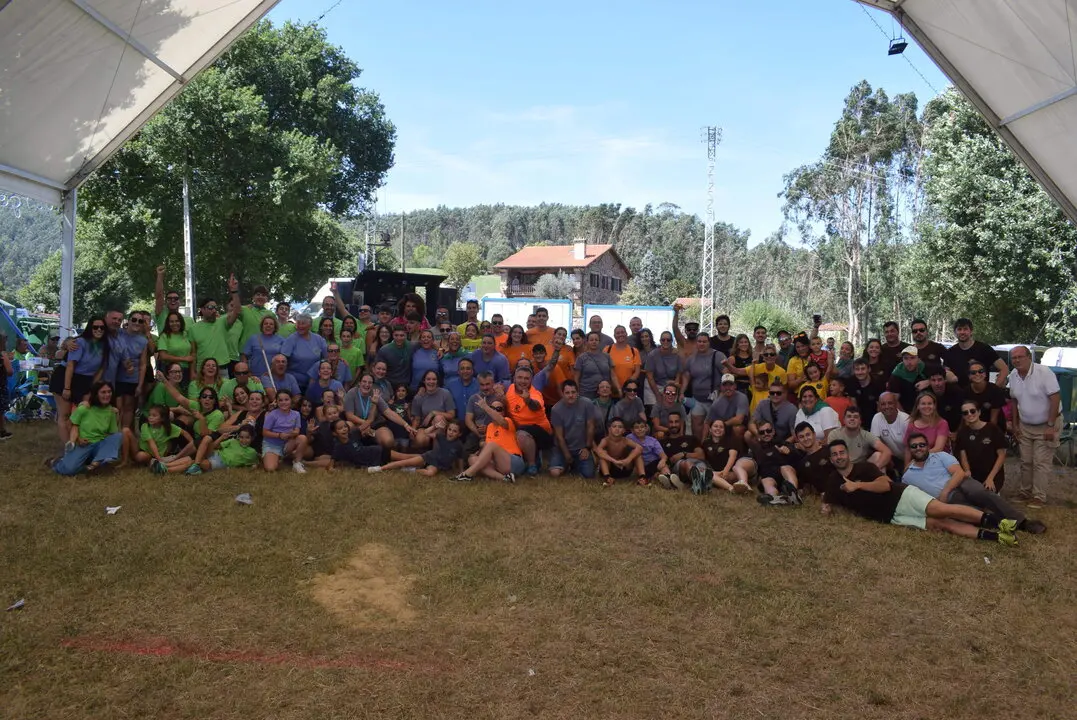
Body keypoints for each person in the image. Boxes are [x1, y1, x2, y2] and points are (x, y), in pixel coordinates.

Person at [822, 439, 1019, 546]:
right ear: (830, 459)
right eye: (834, 455)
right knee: (942, 524)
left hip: (902, 497)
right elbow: (828, 501)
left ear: (847, 453)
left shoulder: (864, 468)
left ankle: (999, 523)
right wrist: (826, 508)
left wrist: (858, 486)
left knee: (942, 510)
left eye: (841, 452)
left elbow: (885, 486)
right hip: (891, 517)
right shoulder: (832, 480)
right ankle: (999, 538)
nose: (839, 457)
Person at [902, 431, 1042, 534]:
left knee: (980, 492)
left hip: (961, 483)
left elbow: (959, 473)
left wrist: (945, 491)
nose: (919, 448)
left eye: (922, 444)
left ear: (927, 446)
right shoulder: (908, 476)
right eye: (914, 446)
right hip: (947, 500)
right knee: (973, 513)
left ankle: (1022, 522)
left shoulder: (940, 456)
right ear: (910, 450)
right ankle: (1004, 524)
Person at [1007, 345, 1061, 508]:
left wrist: (1051, 425)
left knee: (1040, 462)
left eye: (1020, 357)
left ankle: (1039, 496)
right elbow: (1014, 401)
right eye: (1013, 358)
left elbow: (1055, 398)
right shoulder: (1013, 375)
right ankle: (1025, 492)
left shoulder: (1044, 372)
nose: (1016, 360)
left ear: (1029, 357)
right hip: (1025, 425)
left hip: (1047, 423)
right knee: (1026, 461)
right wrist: (1015, 424)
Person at [51, 381, 123, 475]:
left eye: (109, 392)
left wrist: (116, 415)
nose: (107, 395)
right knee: (70, 470)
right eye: (103, 392)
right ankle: (57, 463)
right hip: (83, 444)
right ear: (96, 394)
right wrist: (77, 439)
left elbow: (111, 433)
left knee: (118, 436)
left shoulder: (111, 411)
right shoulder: (84, 408)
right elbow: (70, 425)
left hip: (99, 444)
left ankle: (94, 465)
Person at [59, 317, 109, 441]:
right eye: (95, 327)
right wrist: (67, 388)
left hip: (86, 380)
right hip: (66, 377)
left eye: (102, 327)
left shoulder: (104, 345)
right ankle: (67, 448)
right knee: (65, 415)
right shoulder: (80, 342)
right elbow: (71, 365)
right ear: (89, 328)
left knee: (82, 412)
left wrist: (92, 386)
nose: (99, 330)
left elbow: (101, 369)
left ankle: (79, 442)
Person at [454, 395, 524, 483]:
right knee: (472, 459)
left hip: (513, 461)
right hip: (498, 463)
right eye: (492, 408)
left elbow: (502, 422)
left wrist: (486, 407)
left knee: (491, 445)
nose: (494, 411)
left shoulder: (507, 421)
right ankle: (505, 478)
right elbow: (487, 448)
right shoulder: (490, 427)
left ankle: (467, 475)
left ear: (504, 412)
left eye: (498, 409)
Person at [368, 419, 466, 476]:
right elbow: (426, 432)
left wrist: (461, 471)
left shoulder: (459, 445)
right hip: (428, 458)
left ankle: (411, 470)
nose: (451, 432)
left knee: (430, 473)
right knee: (403, 462)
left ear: (460, 434)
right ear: (446, 430)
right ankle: (380, 468)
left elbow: (460, 458)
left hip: (437, 466)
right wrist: (435, 426)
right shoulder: (440, 436)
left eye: (454, 431)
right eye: (449, 429)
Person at [121, 404, 195, 473]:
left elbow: (184, 433)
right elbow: (151, 442)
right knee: (126, 430)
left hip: (156, 455)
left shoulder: (168, 427)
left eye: (154, 415)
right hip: (145, 450)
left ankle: (155, 463)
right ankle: (124, 461)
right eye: (150, 415)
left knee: (140, 456)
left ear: (162, 418)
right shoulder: (145, 426)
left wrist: (192, 442)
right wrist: (159, 459)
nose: (150, 417)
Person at [505, 366, 552, 475]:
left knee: (521, 433)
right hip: (519, 429)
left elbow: (535, 406)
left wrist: (527, 400)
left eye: (526, 378)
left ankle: (532, 465)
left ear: (531, 380)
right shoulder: (510, 389)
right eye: (520, 377)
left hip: (541, 432)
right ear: (514, 379)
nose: (523, 381)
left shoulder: (535, 393)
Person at [188, 281, 241, 376]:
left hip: (222, 369)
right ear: (202, 310)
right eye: (210, 307)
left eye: (215, 308)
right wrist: (192, 372)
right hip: (203, 370)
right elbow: (193, 353)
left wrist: (234, 292)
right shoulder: (193, 328)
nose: (213, 310)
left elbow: (237, 311)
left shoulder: (222, 322)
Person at [745, 419, 801, 506]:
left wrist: (788, 452)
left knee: (785, 468)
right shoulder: (757, 449)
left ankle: (794, 494)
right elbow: (748, 435)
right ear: (758, 434)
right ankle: (775, 499)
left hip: (784, 475)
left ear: (773, 431)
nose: (766, 434)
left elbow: (798, 456)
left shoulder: (782, 443)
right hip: (768, 476)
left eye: (768, 430)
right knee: (766, 481)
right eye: (762, 432)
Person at [682, 333, 727, 440]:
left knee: (714, 427)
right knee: (696, 427)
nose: (701, 344)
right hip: (697, 399)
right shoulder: (691, 358)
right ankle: (699, 449)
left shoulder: (718, 355)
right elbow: (686, 376)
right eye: (699, 341)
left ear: (709, 343)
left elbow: (726, 374)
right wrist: (682, 392)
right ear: (696, 343)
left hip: (714, 400)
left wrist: (721, 394)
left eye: (704, 341)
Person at [548, 380, 596, 478]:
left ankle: (575, 465)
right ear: (562, 393)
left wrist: (587, 448)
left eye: (573, 392)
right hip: (562, 448)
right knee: (555, 473)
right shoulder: (556, 409)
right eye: (567, 393)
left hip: (581, 448)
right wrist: (567, 454)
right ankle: (566, 464)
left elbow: (591, 427)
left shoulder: (587, 404)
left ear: (578, 392)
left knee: (589, 475)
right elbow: (559, 436)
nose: (571, 395)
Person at [945, 318, 1008, 388]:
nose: (962, 332)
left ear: (971, 331)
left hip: (980, 396)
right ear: (955, 332)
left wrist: (994, 390)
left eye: (965, 329)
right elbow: (946, 371)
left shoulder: (984, 349)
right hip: (958, 396)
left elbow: (1004, 369)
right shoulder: (950, 352)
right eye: (959, 329)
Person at [826, 406, 891, 472]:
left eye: (855, 417)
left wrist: (875, 469)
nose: (852, 419)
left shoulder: (866, 435)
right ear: (844, 420)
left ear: (860, 421)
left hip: (860, 469)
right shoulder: (834, 434)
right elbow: (829, 456)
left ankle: (882, 481)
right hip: (840, 468)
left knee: (878, 456)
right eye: (849, 416)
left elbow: (887, 451)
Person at [261, 390, 308, 473]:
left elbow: (297, 430)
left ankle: (297, 463)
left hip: (288, 443)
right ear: (277, 402)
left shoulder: (296, 414)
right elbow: (264, 432)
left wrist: (292, 434)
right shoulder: (272, 414)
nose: (284, 402)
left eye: (286, 400)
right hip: (272, 444)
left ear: (291, 400)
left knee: (302, 438)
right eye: (280, 400)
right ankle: (276, 457)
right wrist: (279, 435)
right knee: (270, 468)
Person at [409, 370, 456, 451]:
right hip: (425, 427)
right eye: (428, 379)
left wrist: (433, 412)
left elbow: (452, 415)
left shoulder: (445, 393)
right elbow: (417, 418)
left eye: (434, 379)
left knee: (438, 418)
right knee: (420, 440)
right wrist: (412, 429)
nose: (431, 382)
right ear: (424, 381)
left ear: (437, 381)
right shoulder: (419, 397)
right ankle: (421, 459)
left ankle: (437, 454)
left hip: (443, 425)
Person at [701, 419, 752, 493]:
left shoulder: (730, 440)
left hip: (735, 469)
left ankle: (744, 484)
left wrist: (726, 470)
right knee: (710, 474)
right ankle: (732, 489)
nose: (718, 428)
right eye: (715, 426)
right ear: (710, 429)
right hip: (722, 473)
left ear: (724, 431)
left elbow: (732, 456)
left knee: (734, 468)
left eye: (721, 427)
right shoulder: (706, 443)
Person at [184, 425, 260, 474]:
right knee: (207, 438)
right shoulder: (233, 441)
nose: (243, 440)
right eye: (241, 437)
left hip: (221, 462)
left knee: (190, 462)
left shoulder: (251, 452)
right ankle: (196, 465)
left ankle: (195, 465)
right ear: (238, 436)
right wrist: (221, 438)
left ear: (252, 438)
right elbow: (214, 446)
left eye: (247, 437)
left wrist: (253, 467)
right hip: (215, 453)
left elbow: (255, 463)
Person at [281, 314, 328, 393]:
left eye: (303, 323)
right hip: (295, 382)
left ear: (310, 325)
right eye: (298, 323)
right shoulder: (291, 339)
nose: (300, 326)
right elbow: (283, 358)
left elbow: (327, 356)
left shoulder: (318, 339)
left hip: (315, 381)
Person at [659, 411, 705, 491]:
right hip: (679, 467)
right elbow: (662, 461)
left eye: (676, 422)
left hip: (698, 463)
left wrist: (684, 454)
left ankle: (700, 480)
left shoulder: (691, 438)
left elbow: (701, 455)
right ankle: (699, 483)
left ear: (681, 423)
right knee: (686, 463)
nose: (673, 425)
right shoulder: (663, 442)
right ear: (667, 424)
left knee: (699, 467)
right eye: (671, 422)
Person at [594, 417, 646, 487]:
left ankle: (642, 478)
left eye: (620, 427)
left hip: (623, 467)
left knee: (637, 454)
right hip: (610, 469)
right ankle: (608, 478)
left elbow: (639, 448)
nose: (617, 429)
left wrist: (627, 460)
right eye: (614, 426)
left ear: (623, 430)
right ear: (609, 429)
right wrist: (614, 461)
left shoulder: (625, 440)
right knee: (603, 454)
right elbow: (599, 451)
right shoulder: (605, 440)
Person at [904, 391, 951, 463]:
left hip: (940, 460)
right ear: (918, 406)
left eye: (929, 403)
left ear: (934, 406)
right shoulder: (911, 425)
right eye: (923, 404)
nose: (926, 406)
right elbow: (908, 449)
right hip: (919, 461)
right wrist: (906, 467)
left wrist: (918, 459)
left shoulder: (942, 423)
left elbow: (938, 448)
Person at [704, 374, 749, 441]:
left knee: (737, 429)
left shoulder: (742, 397)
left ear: (735, 386)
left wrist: (722, 425)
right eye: (725, 385)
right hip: (723, 427)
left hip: (740, 425)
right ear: (721, 387)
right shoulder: (716, 403)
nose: (728, 388)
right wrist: (703, 441)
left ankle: (740, 450)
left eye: (730, 384)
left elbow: (739, 420)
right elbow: (707, 423)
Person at [628, 418, 672, 485]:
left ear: (646, 428)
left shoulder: (652, 441)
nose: (640, 429)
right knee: (654, 474)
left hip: (654, 462)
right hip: (641, 466)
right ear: (632, 430)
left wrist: (663, 460)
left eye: (642, 427)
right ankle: (664, 479)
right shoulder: (630, 437)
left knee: (663, 466)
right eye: (636, 428)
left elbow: (663, 455)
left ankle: (668, 477)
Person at [644, 331, 683, 405]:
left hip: (670, 384)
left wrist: (675, 385)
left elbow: (679, 374)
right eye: (663, 340)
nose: (665, 341)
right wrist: (658, 395)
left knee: (670, 408)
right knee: (655, 408)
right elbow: (650, 377)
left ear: (672, 341)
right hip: (654, 384)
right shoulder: (652, 355)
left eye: (668, 340)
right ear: (660, 341)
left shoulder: (677, 355)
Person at [965, 360, 1008, 429]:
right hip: (974, 425)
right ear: (969, 376)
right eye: (973, 372)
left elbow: (993, 420)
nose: (977, 374)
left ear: (985, 374)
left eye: (981, 371)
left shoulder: (995, 390)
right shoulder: (966, 391)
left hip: (995, 428)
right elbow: (966, 416)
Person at [157, 311, 196, 385]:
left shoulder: (186, 334)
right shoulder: (164, 336)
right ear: (168, 323)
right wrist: (184, 359)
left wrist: (192, 372)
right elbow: (163, 356)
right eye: (171, 321)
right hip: (171, 372)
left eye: (177, 321)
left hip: (186, 371)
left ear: (181, 322)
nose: (174, 324)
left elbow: (192, 354)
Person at [793, 421, 832, 495]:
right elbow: (804, 487)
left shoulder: (829, 450)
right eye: (801, 437)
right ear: (798, 440)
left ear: (814, 434)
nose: (805, 439)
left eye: (808, 435)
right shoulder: (802, 463)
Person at [869, 392, 910, 463]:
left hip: (910, 458)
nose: (887, 406)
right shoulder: (877, 417)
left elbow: (909, 448)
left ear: (896, 404)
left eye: (890, 403)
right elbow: (876, 444)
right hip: (892, 458)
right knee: (877, 455)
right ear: (878, 405)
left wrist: (906, 469)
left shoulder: (906, 420)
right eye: (883, 404)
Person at [574, 331, 615, 400]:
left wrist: (618, 389)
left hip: (604, 393)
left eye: (596, 340)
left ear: (599, 342)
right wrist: (576, 392)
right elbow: (576, 378)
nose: (594, 342)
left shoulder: (607, 356)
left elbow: (613, 375)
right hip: (586, 394)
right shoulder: (581, 358)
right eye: (591, 340)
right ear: (587, 342)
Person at [241, 315, 284, 381]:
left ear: (275, 327)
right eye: (265, 323)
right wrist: (247, 372)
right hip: (255, 377)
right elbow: (244, 356)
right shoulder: (253, 338)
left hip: (274, 376)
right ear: (262, 326)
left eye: (271, 324)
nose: (268, 325)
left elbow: (285, 358)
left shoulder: (281, 340)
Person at [888, 346, 929, 413]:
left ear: (918, 359)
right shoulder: (897, 373)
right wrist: (906, 418)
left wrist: (929, 382)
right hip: (905, 410)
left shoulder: (925, 367)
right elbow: (894, 399)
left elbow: (947, 376)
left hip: (926, 409)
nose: (909, 362)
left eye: (912, 358)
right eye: (906, 358)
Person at [925, 365, 964, 433]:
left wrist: (957, 432)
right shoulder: (925, 395)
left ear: (945, 380)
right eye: (933, 380)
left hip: (955, 430)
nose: (937, 383)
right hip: (933, 431)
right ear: (929, 382)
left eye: (939, 380)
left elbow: (963, 416)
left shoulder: (956, 392)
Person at [606, 326, 642, 390]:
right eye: (618, 333)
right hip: (610, 390)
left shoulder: (634, 351)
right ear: (614, 335)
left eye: (622, 332)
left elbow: (637, 371)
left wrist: (627, 385)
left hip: (628, 391)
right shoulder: (607, 350)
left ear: (626, 334)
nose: (620, 334)